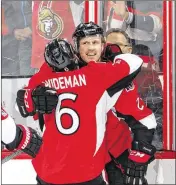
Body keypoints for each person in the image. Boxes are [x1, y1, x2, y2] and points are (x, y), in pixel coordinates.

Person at [16, 37, 143, 184]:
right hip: (86, 172)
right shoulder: (94, 74)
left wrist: (29, 95)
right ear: (74, 54)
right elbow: (135, 62)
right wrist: (112, 55)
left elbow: (22, 106)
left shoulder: (41, 80)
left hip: (48, 171)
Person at [72, 22, 157, 185]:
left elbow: (143, 120)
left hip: (117, 157)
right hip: (80, 162)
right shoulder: (66, 77)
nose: (91, 49)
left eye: (95, 42)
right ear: (76, 46)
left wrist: (139, 155)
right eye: (85, 43)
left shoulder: (115, 76)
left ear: (103, 46)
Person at [106, 28, 163, 150]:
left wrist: (143, 146)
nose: (113, 50)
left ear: (129, 49)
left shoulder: (146, 76)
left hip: (134, 145)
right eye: (109, 45)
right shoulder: (93, 73)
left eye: (119, 45)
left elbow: (157, 114)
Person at [2, 1, 35, 76]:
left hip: (41, 38)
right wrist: (13, 30)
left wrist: (33, 28)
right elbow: (5, 11)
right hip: (15, 41)